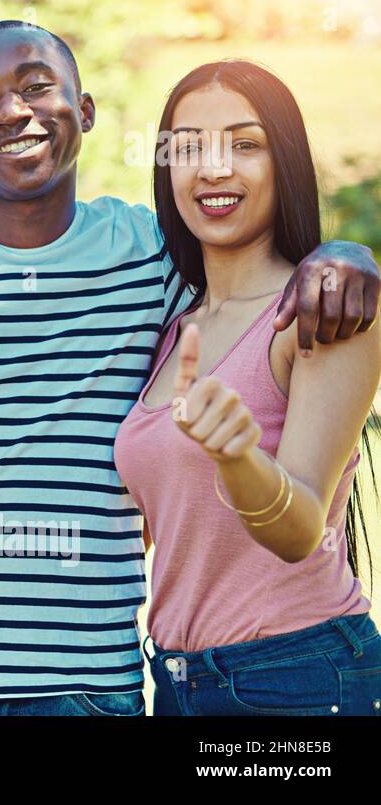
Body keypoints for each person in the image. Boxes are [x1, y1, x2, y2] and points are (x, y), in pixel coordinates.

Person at [0, 20, 379, 715]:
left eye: (37, 86)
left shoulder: (154, 257)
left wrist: (345, 253)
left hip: (118, 681)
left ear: (88, 111)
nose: (11, 111)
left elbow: (260, 268)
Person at [114, 59, 381, 715]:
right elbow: (160, 526)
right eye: (188, 147)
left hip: (295, 676)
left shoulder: (325, 310)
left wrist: (238, 457)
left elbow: (298, 527)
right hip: (177, 683)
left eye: (244, 143)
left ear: (283, 160)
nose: (213, 168)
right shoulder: (175, 327)